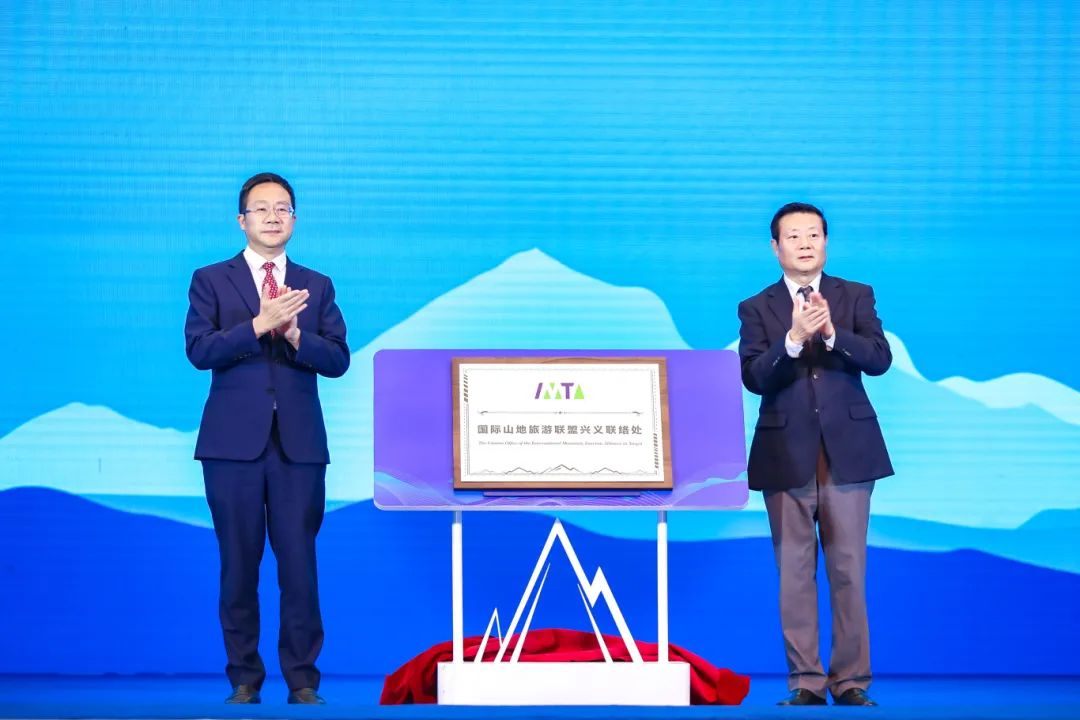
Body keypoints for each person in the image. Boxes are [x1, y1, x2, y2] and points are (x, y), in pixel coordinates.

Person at [185, 172, 350, 705]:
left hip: (299, 447)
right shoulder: (211, 279)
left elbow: (338, 359)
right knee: (238, 564)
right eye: (261, 208)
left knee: (299, 566)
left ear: (294, 219)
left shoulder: (316, 284)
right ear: (242, 220)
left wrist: (296, 334)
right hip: (231, 446)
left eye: (283, 208)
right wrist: (258, 325)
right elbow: (200, 351)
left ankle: (302, 679)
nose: (273, 216)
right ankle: (244, 678)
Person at [737, 202, 892, 707]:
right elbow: (754, 376)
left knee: (849, 569)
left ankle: (851, 681)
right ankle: (805, 680)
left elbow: (879, 359)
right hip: (785, 453)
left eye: (813, 234)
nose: (804, 244)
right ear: (775, 247)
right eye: (793, 236)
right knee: (794, 572)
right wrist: (793, 340)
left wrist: (830, 334)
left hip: (849, 452)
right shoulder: (756, 307)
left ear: (825, 242)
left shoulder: (855, 295)